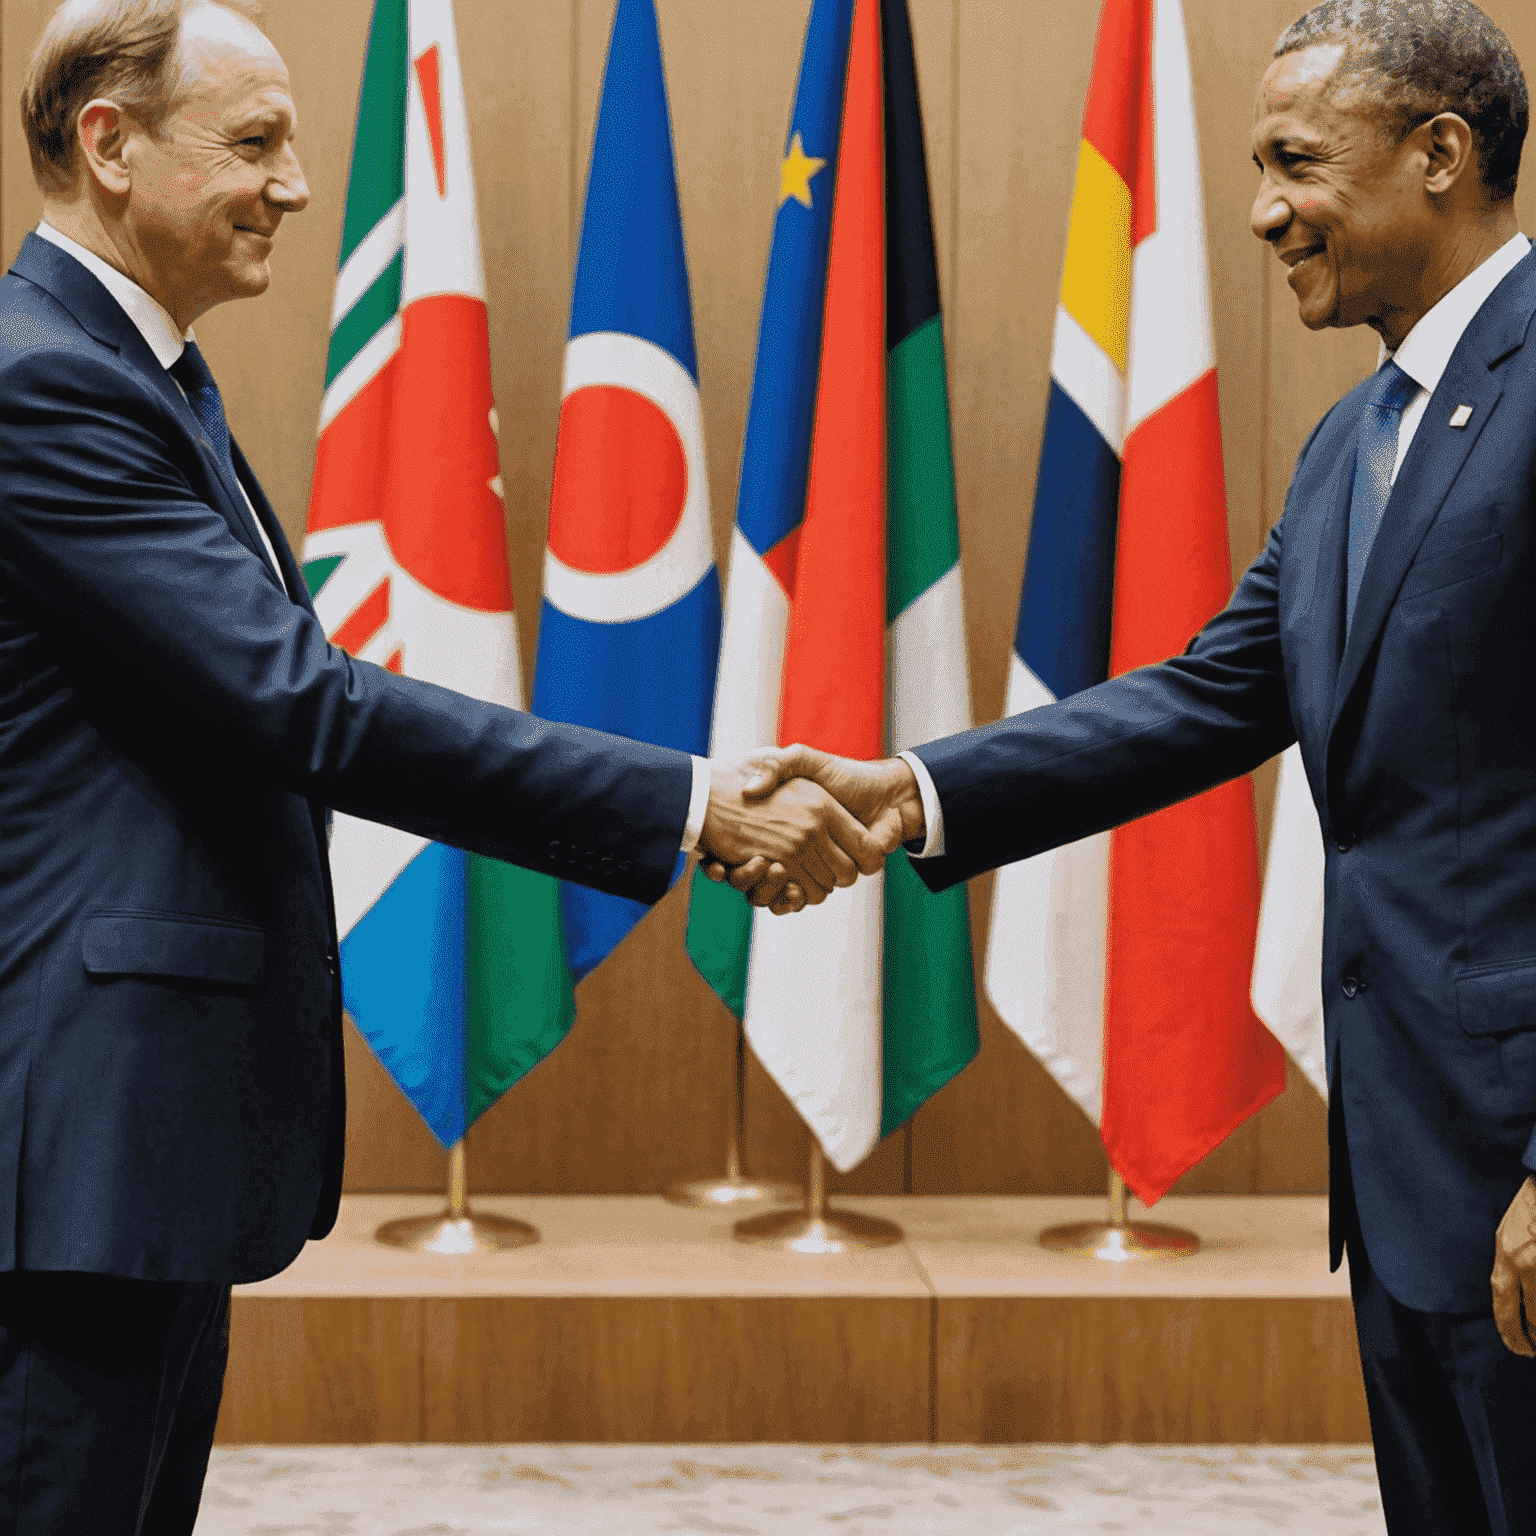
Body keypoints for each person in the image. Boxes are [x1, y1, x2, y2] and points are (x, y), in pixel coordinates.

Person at [0, 1, 889, 1528]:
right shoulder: (46, 381)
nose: (290, 184)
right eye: (256, 143)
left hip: (141, 1140)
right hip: (84, 1133)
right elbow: (307, 708)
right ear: (109, 144)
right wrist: (690, 801)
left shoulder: (141, 372)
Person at [724, 3, 1536, 1531]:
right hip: (1407, 1173)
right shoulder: (1357, 437)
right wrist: (910, 793)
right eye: (1252, 164)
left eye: (1297, 160)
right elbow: (1207, 700)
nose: (1260, 208)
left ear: (1440, 154)